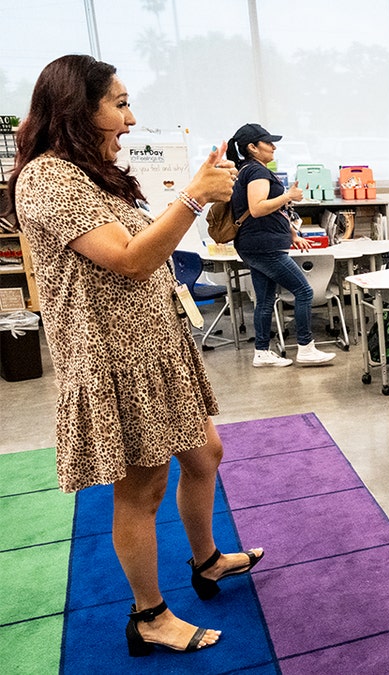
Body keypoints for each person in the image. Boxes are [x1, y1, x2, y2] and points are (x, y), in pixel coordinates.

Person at [6, 54, 262, 656]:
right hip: (112, 358)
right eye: (119, 104)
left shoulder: (96, 173)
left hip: (156, 347)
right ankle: (148, 615)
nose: (130, 117)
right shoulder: (47, 178)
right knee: (142, 488)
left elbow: (147, 249)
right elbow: (127, 258)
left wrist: (204, 201)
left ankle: (206, 561)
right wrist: (194, 199)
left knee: (206, 455)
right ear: (77, 108)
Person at [227, 122, 335, 367]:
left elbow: (270, 211)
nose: (274, 147)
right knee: (305, 292)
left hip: (256, 244)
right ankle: (306, 348)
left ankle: (262, 352)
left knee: (265, 300)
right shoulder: (256, 171)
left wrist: (291, 233)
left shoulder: (249, 169)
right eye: (268, 142)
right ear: (253, 147)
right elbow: (257, 208)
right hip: (264, 246)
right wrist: (287, 196)